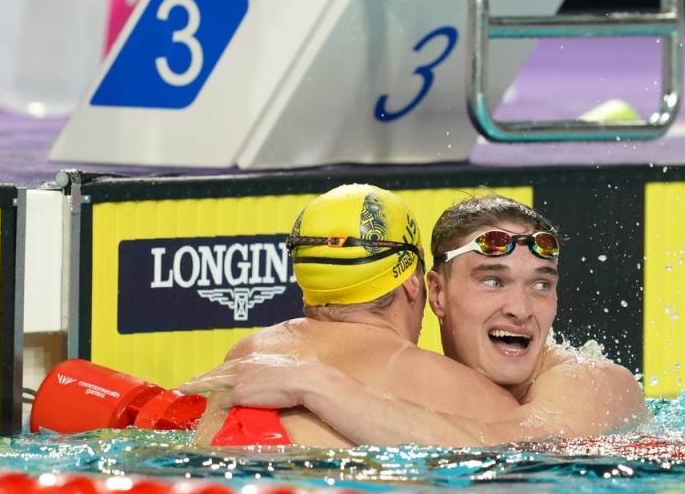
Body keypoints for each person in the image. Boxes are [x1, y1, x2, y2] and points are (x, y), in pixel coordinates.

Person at [187, 186, 649, 447]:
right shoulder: (439, 385)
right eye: (493, 280)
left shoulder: (594, 382)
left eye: (541, 284)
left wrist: (315, 383)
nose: (521, 307)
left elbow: (521, 448)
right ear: (435, 293)